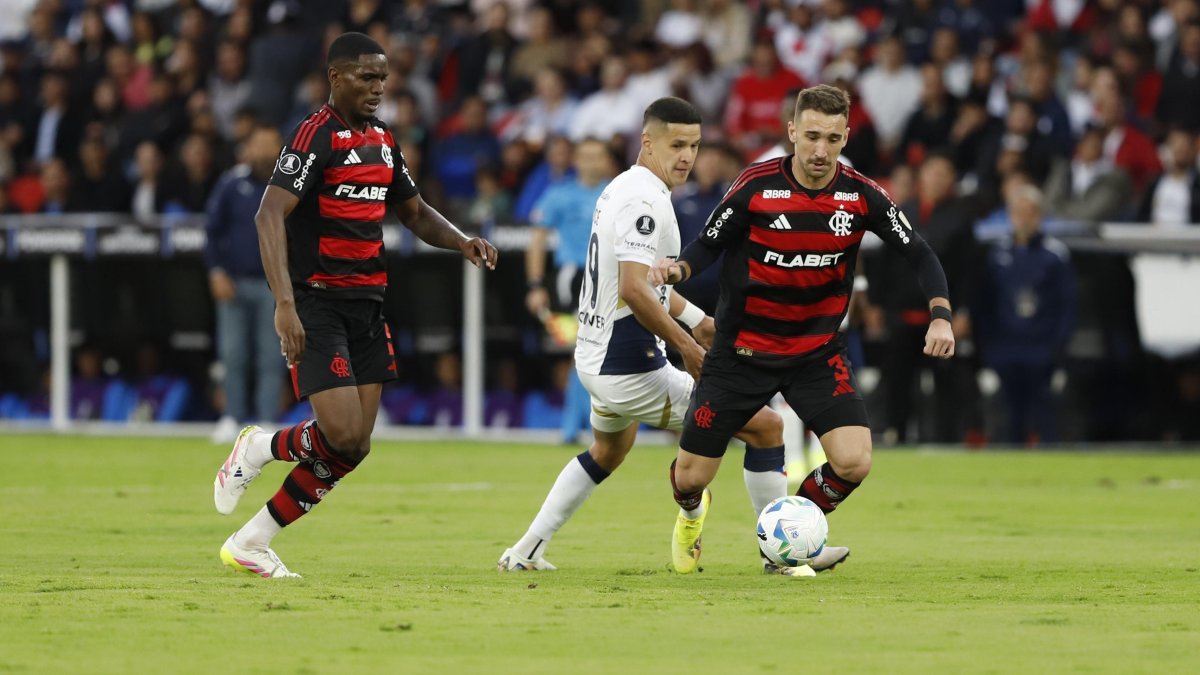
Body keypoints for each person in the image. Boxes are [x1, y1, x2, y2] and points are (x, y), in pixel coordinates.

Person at [211, 32, 498, 579]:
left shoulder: (384, 139)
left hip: (368, 304)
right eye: (367, 77)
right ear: (336, 77)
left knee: (355, 447)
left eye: (383, 78)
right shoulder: (314, 134)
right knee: (341, 434)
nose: (378, 87)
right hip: (317, 303)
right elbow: (268, 215)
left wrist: (462, 240)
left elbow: (414, 212)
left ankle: (252, 540)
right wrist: (285, 304)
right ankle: (260, 446)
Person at [651, 85, 956, 574]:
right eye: (811, 136)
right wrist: (678, 269)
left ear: (846, 137)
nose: (820, 150)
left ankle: (788, 537)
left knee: (854, 461)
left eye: (832, 139)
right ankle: (691, 515)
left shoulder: (860, 194)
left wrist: (940, 315)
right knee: (690, 478)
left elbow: (919, 252)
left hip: (816, 354)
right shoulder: (755, 185)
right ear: (792, 131)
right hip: (740, 354)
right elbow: (708, 244)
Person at [498, 97, 785, 573]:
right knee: (766, 426)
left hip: (595, 358)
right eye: (677, 145)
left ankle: (525, 550)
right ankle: (776, 553)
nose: (687, 156)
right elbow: (634, 289)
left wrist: (698, 320)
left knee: (608, 450)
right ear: (647, 142)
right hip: (627, 367)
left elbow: (643, 286)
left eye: (694, 145)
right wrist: (688, 347)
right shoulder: (644, 201)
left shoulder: (624, 186)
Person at [524, 138, 617, 444]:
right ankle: (576, 426)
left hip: (609, 279)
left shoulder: (617, 192)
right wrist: (535, 285)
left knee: (592, 353)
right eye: (585, 156)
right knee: (582, 350)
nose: (591, 162)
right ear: (575, 160)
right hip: (573, 278)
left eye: (597, 156)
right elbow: (537, 240)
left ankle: (579, 426)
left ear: (607, 160)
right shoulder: (559, 194)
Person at [974, 185, 1075, 445]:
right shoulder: (997, 253)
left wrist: (1058, 345)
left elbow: (1066, 305)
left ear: (1040, 216)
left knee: (1044, 411)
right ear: (1010, 215)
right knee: (1010, 413)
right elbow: (985, 302)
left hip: (1041, 347)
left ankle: (1051, 456)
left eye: (1030, 212)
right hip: (1005, 346)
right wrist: (988, 343)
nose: (1024, 218)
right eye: (1019, 212)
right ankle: (1012, 458)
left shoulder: (1055, 255)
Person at [206, 124, 288, 443]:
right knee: (232, 354)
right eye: (259, 143)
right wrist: (216, 271)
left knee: (271, 354)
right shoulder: (231, 183)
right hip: (235, 282)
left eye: (271, 143)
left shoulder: (289, 184)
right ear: (248, 148)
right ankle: (232, 416)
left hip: (274, 285)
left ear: (280, 148)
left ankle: (267, 419)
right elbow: (213, 231)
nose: (265, 151)